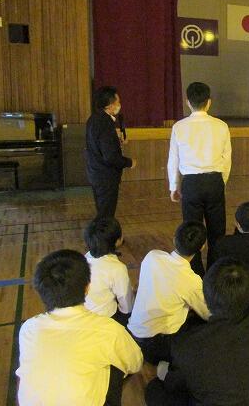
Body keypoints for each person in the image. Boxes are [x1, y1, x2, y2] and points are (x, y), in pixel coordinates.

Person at [145, 258, 249, 406]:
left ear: (206, 295)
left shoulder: (189, 344)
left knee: (154, 390)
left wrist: (164, 373)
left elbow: (177, 385)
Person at [16, 249, 142, 406]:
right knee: (117, 364)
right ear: (87, 288)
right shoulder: (108, 329)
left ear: (40, 290)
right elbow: (135, 363)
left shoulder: (28, 329)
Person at [167, 82, 232, 276]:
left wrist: (174, 186)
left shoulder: (179, 127)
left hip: (191, 184)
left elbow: (173, 159)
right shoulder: (221, 126)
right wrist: (221, 182)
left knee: (192, 231)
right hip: (214, 181)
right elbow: (227, 159)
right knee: (217, 231)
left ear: (188, 102)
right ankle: (215, 271)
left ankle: (195, 272)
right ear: (209, 102)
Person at [127, 222, 211, 364]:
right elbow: (207, 313)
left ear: (174, 238)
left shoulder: (152, 256)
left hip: (134, 332)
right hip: (157, 344)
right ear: (202, 247)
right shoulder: (191, 280)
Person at [85, 86, 136, 219]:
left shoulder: (93, 119)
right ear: (109, 105)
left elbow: (99, 145)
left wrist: (116, 140)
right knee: (106, 215)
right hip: (105, 177)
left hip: (96, 173)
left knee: (103, 212)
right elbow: (110, 156)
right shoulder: (105, 122)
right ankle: (104, 232)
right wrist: (129, 162)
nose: (119, 105)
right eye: (117, 102)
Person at [83, 217, 134, 326]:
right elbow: (127, 305)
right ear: (117, 241)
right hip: (106, 318)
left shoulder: (84, 258)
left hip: (83, 316)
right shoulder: (117, 268)